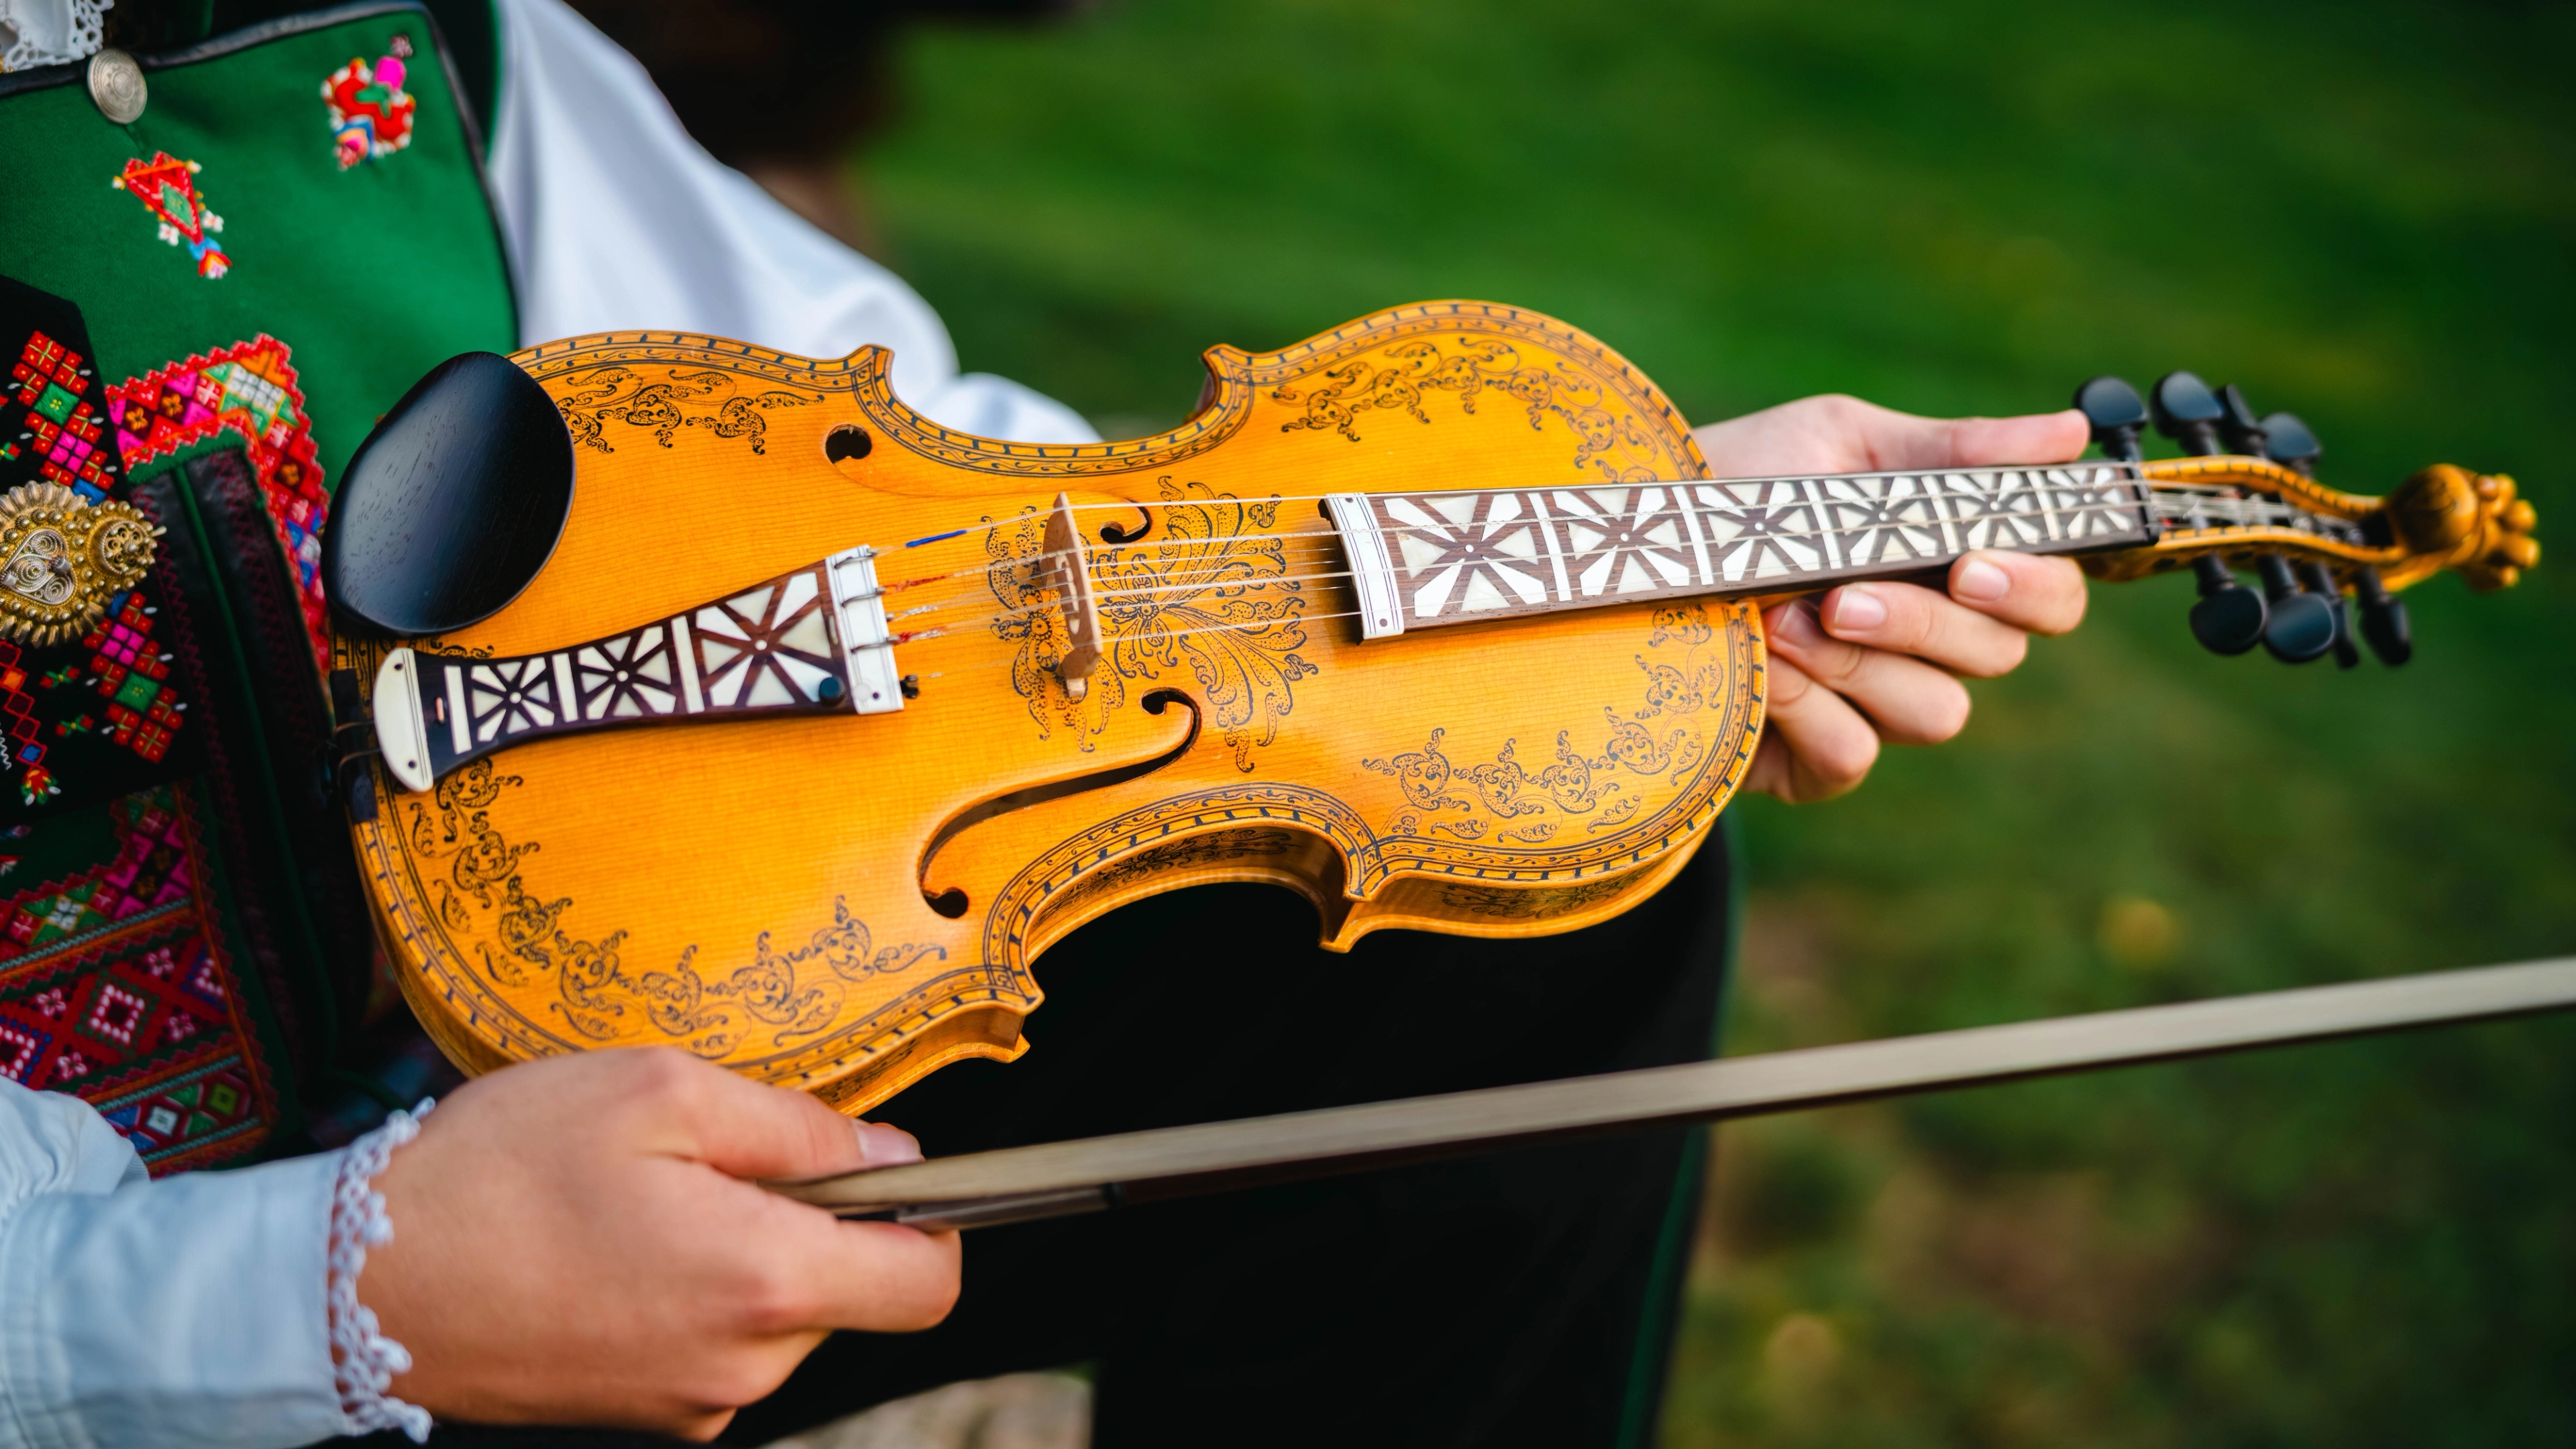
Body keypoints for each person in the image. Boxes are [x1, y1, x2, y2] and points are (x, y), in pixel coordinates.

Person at [0, 0, 2088, 1444]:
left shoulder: (450, 33)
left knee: (1538, 898)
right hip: (189, 1323)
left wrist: (1584, 543)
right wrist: (334, 1293)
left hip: (599, 1013)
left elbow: (893, 471)